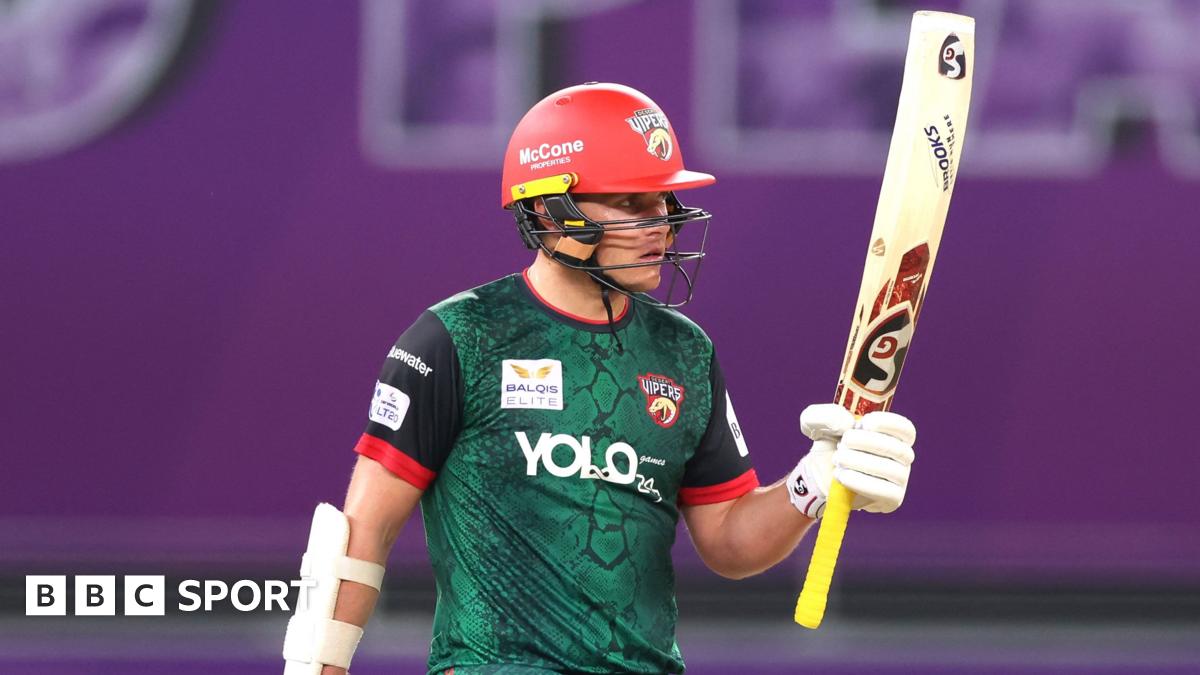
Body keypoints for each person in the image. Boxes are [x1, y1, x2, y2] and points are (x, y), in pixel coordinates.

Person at [281, 82, 918, 675]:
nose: (661, 226)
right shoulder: (458, 337)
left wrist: (813, 483)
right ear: (552, 210)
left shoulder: (683, 352)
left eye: (664, 202)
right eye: (631, 204)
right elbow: (360, 532)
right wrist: (322, 664)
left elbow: (729, 541)